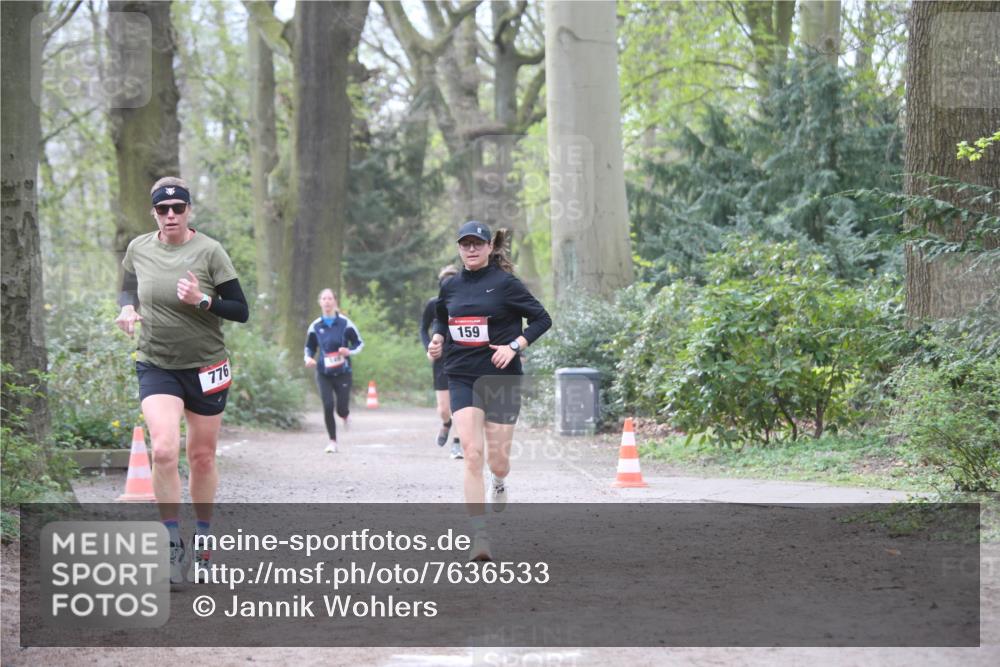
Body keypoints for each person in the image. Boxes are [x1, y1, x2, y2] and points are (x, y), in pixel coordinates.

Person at [115, 176, 249, 585]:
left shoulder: (209, 251)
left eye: (178, 208)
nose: (170, 215)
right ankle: (172, 543)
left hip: (206, 366)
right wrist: (126, 310)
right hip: (157, 363)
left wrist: (203, 300)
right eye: (162, 209)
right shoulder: (138, 248)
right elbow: (127, 290)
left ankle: (204, 540)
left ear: (189, 210)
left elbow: (240, 310)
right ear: (153, 212)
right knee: (165, 451)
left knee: (203, 457)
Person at [427, 221, 552, 561]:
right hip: (462, 375)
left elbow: (542, 319)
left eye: (477, 244)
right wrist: (438, 339)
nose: (471, 249)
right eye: (465, 244)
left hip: (501, 377)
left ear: (487, 248)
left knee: (498, 461)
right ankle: (479, 538)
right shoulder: (451, 286)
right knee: (472, 453)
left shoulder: (506, 284)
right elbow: (442, 318)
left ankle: (499, 481)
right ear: (459, 248)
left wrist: (514, 344)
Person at [304, 289, 364, 453]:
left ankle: (345, 415)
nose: (327, 302)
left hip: (343, 371)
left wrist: (348, 351)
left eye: (330, 298)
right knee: (328, 405)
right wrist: (308, 358)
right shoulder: (315, 326)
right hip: (324, 372)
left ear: (335, 301)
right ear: (320, 302)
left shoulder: (345, 323)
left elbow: (359, 343)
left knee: (341, 408)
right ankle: (332, 441)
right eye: (324, 298)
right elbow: (309, 347)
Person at [420, 265, 461, 458]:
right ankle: (446, 424)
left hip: (462, 358)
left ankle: (457, 443)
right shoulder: (433, 304)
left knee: (461, 407)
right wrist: (429, 348)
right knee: (444, 409)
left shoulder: (468, 305)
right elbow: (423, 329)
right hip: (441, 360)